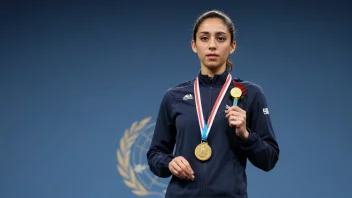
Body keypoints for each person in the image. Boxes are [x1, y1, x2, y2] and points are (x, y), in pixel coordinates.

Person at [146, 9, 279, 198]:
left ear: (232, 46)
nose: (212, 45)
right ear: (194, 45)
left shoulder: (251, 94)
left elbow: (269, 159)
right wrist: (169, 163)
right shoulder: (174, 96)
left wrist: (246, 135)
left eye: (221, 38)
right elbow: (155, 154)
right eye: (204, 38)